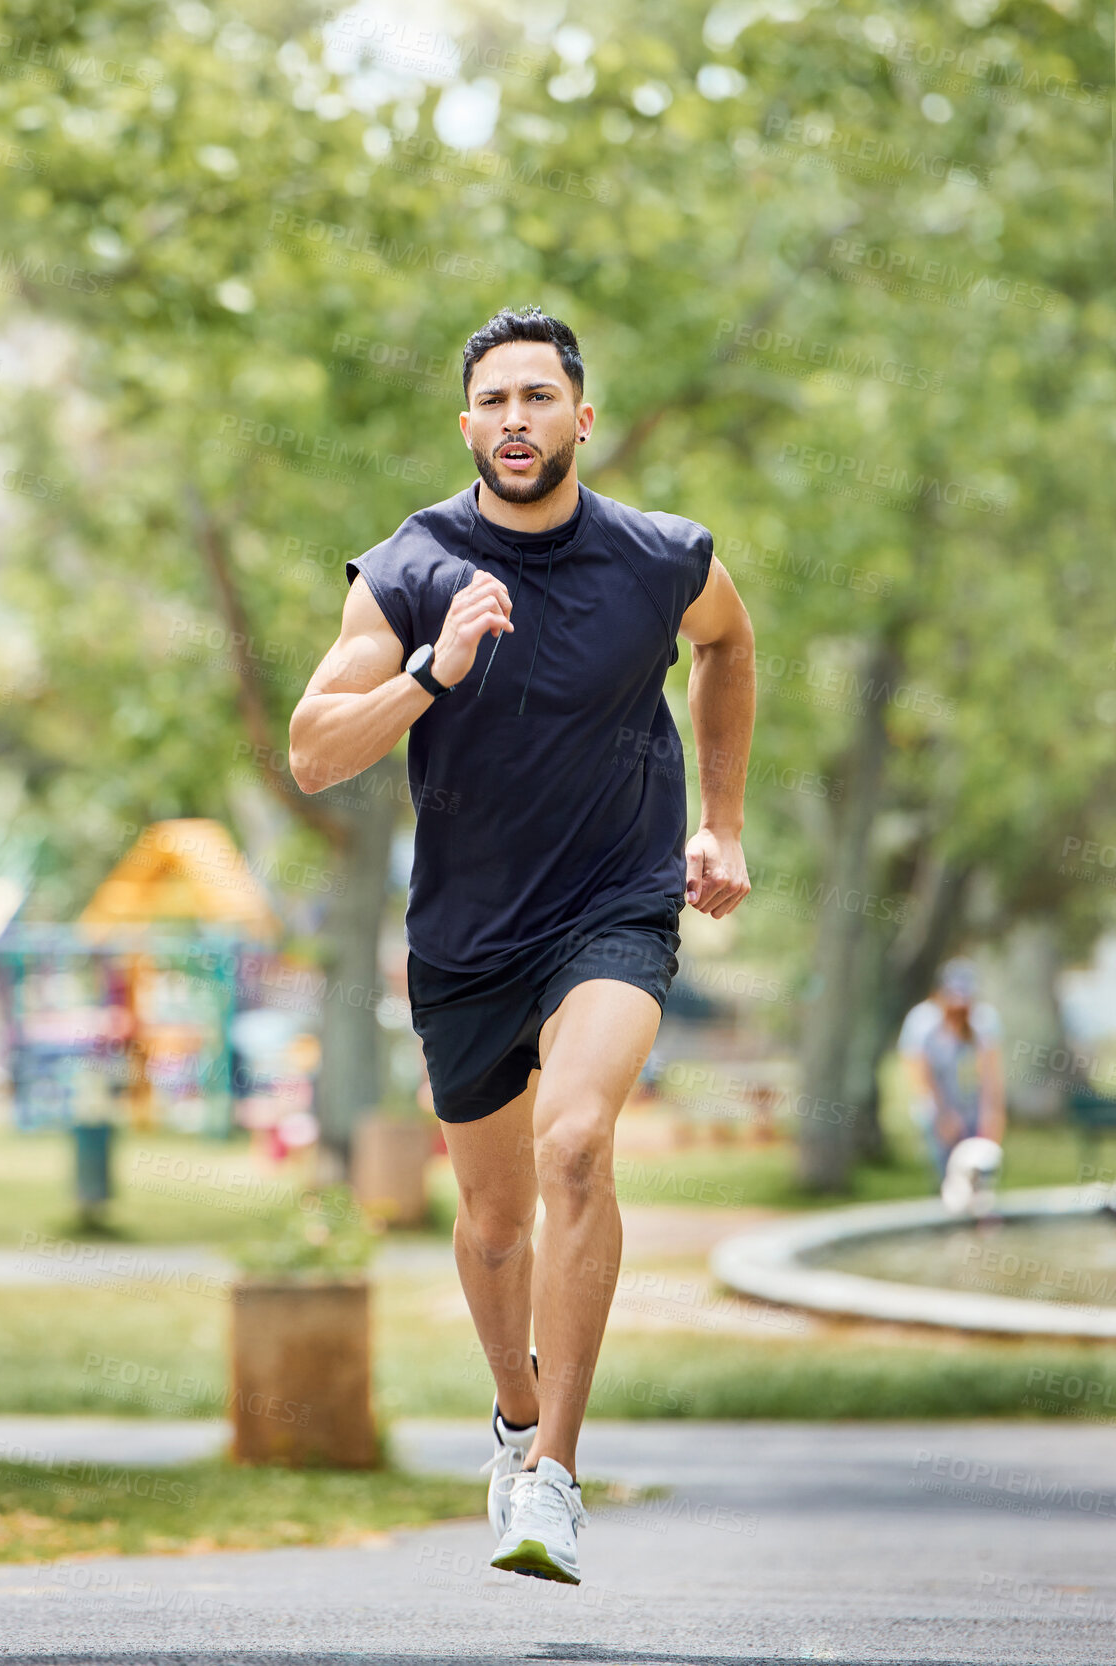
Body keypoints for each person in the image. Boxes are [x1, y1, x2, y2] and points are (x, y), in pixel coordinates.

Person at [288, 305, 755, 1584]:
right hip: (467, 938)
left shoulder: (661, 557)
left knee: (578, 1142)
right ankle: (513, 1417)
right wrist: (430, 672)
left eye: (539, 398)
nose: (515, 420)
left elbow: (727, 640)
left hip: (616, 901)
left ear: (581, 417)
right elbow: (313, 750)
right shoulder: (409, 566)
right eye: (494, 400)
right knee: (494, 1224)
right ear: (467, 424)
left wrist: (718, 823)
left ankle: (554, 1477)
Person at [897, 958, 1006, 1185]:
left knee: (980, 1167)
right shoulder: (923, 1022)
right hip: (937, 1106)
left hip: (971, 1106)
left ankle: (980, 1213)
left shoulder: (983, 1021)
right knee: (947, 1172)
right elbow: (919, 1074)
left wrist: (993, 1112)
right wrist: (944, 1116)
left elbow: (990, 1073)